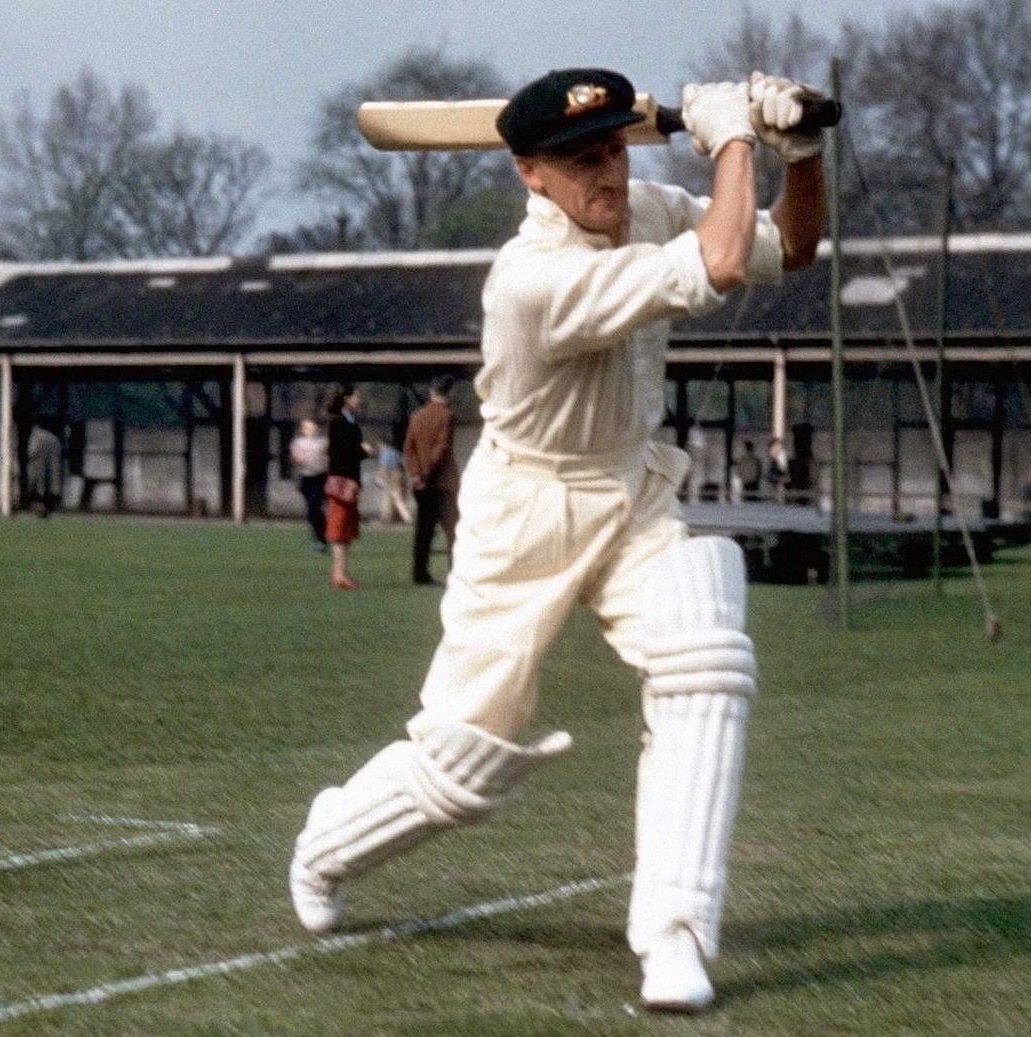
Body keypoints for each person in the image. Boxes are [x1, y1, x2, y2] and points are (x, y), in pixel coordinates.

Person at [288, 68, 827, 1012]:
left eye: (615, 147)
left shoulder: (653, 206)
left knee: (706, 651)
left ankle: (675, 932)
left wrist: (807, 149)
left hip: (630, 491)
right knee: (468, 758)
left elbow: (795, 243)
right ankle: (329, 841)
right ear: (531, 175)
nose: (608, 173)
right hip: (524, 511)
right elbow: (726, 261)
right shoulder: (532, 281)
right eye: (582, 160)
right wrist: (734, 136)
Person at [403, 374, 461, 585]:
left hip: (421, 484)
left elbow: (408, 449)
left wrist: (416, 474)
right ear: (450, 392)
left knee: (423, 530)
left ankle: (420, 573)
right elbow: (442, 448)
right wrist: (427, 473)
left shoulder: (417, 415)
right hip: (443, 482)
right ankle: (457, 572)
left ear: (431, 391)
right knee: (453, 530)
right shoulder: (447, 415)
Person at [324, 383, 373, 589]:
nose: (359, 400)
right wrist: (364, 451)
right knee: (339, 528)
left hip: (350, 481)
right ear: (347, 399)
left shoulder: (351, 422)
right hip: (342, 482)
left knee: (346, 530)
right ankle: (338, 574)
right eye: (356, 397)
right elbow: (341, 453)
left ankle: (342, 573)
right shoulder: (338, 423)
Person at [289, 417, 330, 550]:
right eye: (307, 427)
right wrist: (296, 459)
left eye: (312, 426)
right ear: (303, 430)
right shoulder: (298, 443)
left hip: (320, 477)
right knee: (312, 511)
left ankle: (324, 537)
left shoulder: (323, 442)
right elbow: (293, 459)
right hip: (306, 478)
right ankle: (321, 537)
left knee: (315, 506)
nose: (310, 429)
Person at [373, 436, 414, 525]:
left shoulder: (385, 454)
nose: (379, 446)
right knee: (392, 498)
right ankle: (386, 518)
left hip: (391, 477)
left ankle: (407, 518)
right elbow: (404, 465)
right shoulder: (396, 453)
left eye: (379, 444)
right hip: (400, 476)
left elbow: (383, 468)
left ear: (384, 444)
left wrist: (378, 478)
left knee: (395, 498)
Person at [25, 422, 63, 518]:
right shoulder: (54, 438)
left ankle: (40, 509)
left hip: (38, 467)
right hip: (52, 469)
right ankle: (47, 509)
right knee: (49, 487)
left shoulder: (36, 436)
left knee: (37, 487)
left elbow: (32, 451)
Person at [765, 435, 789, 500]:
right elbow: (767, 476)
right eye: (776, 448)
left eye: (780, 448)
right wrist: (780, 479)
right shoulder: (769, 461)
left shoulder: (777, 461)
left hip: (775, 490)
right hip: (768, 491)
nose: (778, 450)